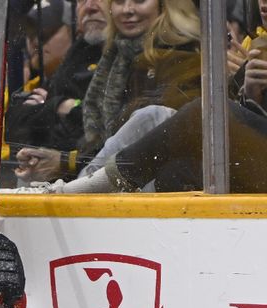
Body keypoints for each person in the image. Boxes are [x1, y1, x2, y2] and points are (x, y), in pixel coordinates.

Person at [15, 0, 201, 184]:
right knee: (30, 173)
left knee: (150, 115)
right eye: (119, 1)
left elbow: (150, 129)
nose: (128, 10)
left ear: (165, 5)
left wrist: (68, 161)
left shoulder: (186, 54)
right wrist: (65, 160)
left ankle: (78, 194)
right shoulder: (111, 57)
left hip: (163, 184)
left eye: (140, 0)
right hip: (115, 173)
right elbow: (17, 122)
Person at [5, 0, 109, 154]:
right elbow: (12, 129)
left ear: (74, 31)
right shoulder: (49, 78)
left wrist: (48, 107)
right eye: (30, 35)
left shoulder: (97, 60)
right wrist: (58, 105)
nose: (34, 42)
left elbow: (96, 125)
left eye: (44, 35)